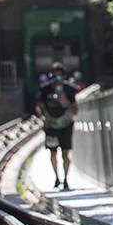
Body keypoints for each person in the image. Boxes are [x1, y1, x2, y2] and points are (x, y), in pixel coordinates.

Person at [35, 62, 78, 190]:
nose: (56, 79)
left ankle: (65, 180)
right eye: (54, 76)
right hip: (51, 126)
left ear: (64, 77)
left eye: (59, 77)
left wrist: (65, 102)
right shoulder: (45, 89)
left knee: (65, 153)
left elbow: (75, 110)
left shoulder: (69, 90)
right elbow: (39, 108)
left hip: (66, 125)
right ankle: (56, 178)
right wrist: (41, 113)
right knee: (53, 153)